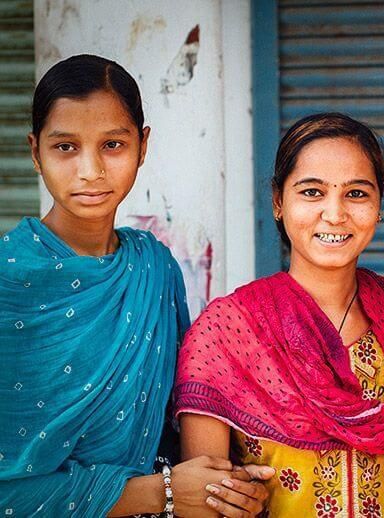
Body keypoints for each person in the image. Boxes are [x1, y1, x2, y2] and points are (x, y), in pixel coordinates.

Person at [0, 54, 269, 517]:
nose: (90, 170)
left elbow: (173, 420)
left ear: (143, 147)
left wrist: (227, 485)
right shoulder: (9, 281)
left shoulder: (153, 265)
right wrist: (163, 493)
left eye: (112, 145)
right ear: (34, 152)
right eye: (65, 147)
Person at [174, 112, 384, 517]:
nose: (334, 213)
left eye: (357, 193)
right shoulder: (226, 331)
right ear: (278, 202)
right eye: (312, 192)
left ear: (379, 205)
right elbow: (204, 501)